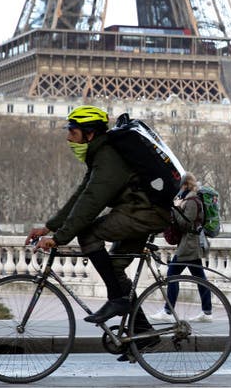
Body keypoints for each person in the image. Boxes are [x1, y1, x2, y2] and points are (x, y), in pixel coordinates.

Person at [24, 105, 170, 356]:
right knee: (114, 267)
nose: (68, 137)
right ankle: (144, 334)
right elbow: (81, 195)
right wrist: (49, 226)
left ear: (89, 133)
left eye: (73, 132)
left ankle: (116, 299)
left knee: (89, 234)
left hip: (145, 212)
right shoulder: (99, 155)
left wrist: (58, 238)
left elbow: (92, 201)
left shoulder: (108, 157)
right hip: (139, 210)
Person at [150, 172, 214, 322]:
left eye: (181, 185)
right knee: (200, 278)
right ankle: (207, 312)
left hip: (189, 245)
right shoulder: (190, 199)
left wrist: (175, 209)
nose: (179, 189)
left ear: (185, 185)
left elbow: (186, 224)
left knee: (172, 274)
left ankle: (168, 311)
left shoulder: (192, 201)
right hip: (190, 244)